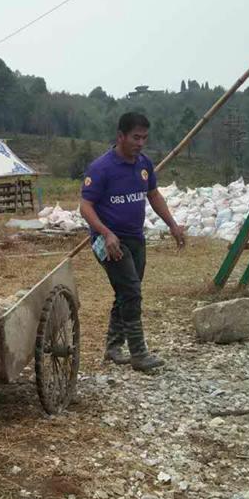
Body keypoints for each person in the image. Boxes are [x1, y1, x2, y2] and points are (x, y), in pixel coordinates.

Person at [80, 112, 186, 372]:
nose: (140, 143)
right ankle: (138, 353)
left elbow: (153, 194)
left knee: (126, 292)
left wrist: (172, 224)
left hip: (136, 239)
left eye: (144, 138)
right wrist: (105, 232)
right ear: (121, 136)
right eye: (135, 137)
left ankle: (113, 347)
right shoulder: (101, 168)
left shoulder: (144, 165)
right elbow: (85, 206)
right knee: (132, 292)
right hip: (109, 242)